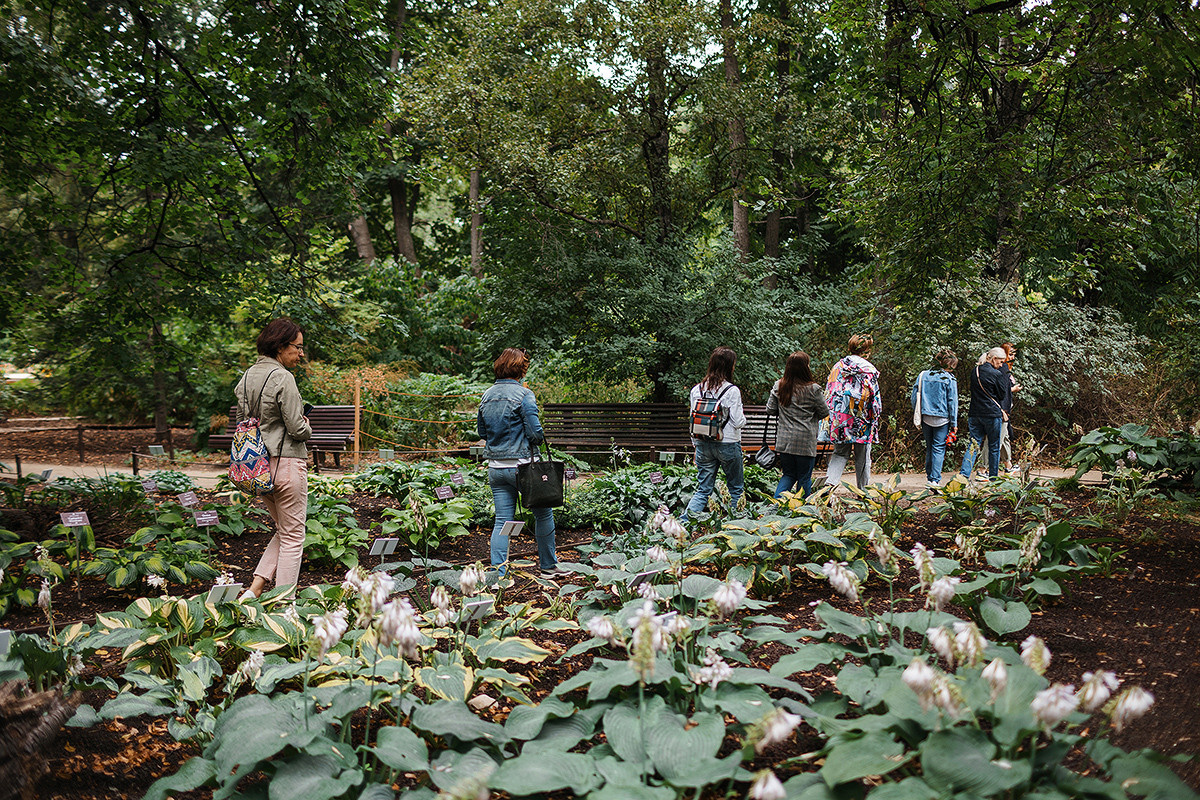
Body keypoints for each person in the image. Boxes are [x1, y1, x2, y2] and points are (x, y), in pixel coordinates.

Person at [237, 318, 312, 600]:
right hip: (288, 464)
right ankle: (284, 605)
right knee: (293, 537)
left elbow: (242, 423)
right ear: (281, 346)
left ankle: (255, 590)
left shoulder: (246, 377)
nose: (301, 353)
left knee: (284, 530)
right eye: (298, 347)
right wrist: (307, 424)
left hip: (257, 467)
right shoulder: (283, 377)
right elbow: (297, 429)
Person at [477, 348, 562, 578]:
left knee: (501, 521)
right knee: (543, 515)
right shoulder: (525, 395)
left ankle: (498, 574)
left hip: (496, 468)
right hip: (524, 468)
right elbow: (535, 433)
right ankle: (548, 567)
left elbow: (481, 431)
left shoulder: (487, 395)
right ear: (520, 369)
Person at [681, 346, 746, 523]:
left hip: (703, 443)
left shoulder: (697, 390)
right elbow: (738, 421)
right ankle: (735, 526)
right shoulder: (731, 391)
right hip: (728, 444)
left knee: (703, 490)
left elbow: (693, 420)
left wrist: (696, 445)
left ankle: (683, 524)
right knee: (736, 490)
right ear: (729, 366)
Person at [766, 351, 830, 499]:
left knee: (788, 474)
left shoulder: (779, 385)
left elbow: (770, 409)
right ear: (805, 367)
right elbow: (824, 412)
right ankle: (803, 511)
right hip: (805, 441)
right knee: (804, 477)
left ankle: (778, 507)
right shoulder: (814, 389)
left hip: (784, 440)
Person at [821, 334, 881, 490]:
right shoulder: (869, 369)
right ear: (867, 350)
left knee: (840, 453)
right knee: (863, 455)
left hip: (840, 418)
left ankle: (829, 486)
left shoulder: (838, 366)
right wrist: (875, 416)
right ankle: (863, 492)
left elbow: (829, 392)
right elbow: (875, 398)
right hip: (862, 418)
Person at [960, 346, 1010, 481]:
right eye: (1000, 362)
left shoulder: (974, 371)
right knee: (994, 446)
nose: (1001, 365)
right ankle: (993, 478)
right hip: (992, 415)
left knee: (973, 445)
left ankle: (964, 475)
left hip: (975, 413)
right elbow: (1001, 395)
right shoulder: (997, 374)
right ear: (993, 359)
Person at [910, 349, 959, 489]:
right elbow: (952, 402)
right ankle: (934, 480)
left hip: (925, 416)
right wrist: (954, 423)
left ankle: (929, 477)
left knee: (930, 448)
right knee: (938, 448)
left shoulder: (923, 375)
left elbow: (915, 396)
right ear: (950, 365)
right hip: (943, 418)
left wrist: (917, 413)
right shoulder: (950, 379)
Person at [998, 342, 1021, 471]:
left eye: (1014, 355)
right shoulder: (1002, 369)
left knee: (1006, 436)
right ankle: (983, 469)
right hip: (1002, 408)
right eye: (1010, 354)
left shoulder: (1006, 368)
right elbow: (1001, 391)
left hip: (1006, 407)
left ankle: (1008, 465)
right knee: (998, 439)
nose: (1012, 357)